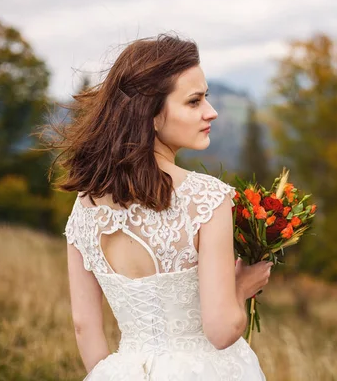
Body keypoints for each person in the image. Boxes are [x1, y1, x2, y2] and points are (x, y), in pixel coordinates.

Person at [56, 34, 271, 380]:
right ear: (152, 116)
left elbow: (84, 327)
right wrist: (243, 288)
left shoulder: (84, 205)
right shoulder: (207, 199)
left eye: (207, 98)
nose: (211, 112)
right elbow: (220, 331)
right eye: (194, 101)